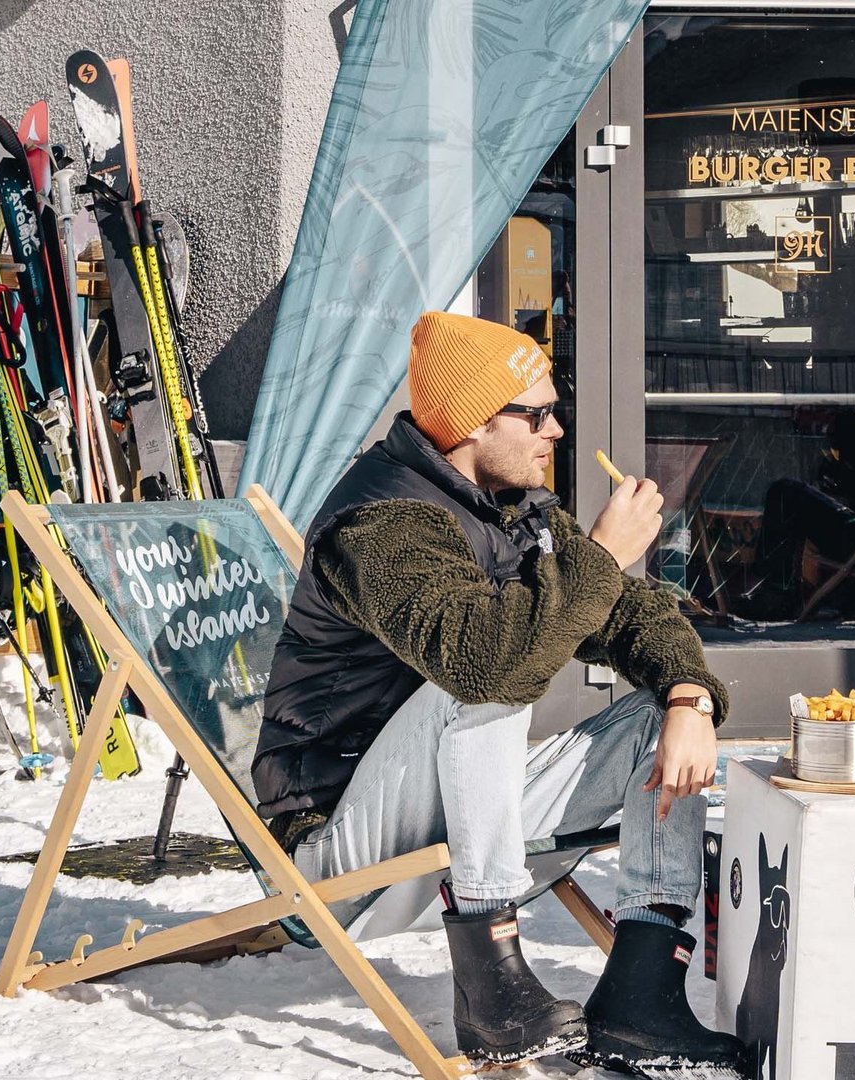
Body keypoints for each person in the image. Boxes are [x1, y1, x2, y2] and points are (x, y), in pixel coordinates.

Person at [253, 312, 749, 1077]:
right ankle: (491, 990)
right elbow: (481, 666)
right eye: (538, 413)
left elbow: (630, 613)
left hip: (450, 816)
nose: (557, 429)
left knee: (659, 709)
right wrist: (605, 557)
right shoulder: (380, 522)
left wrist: (689, 699)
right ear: (471, 425)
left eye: (557, 408)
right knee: (482, 672)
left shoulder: (514, 508)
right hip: (338, 841)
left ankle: (642, 994)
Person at [742, 406, 855, 619]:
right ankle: (779, 586)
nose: (836, 451)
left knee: (785, 492)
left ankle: (777, 590)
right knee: (790, 501)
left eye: (839, 443)